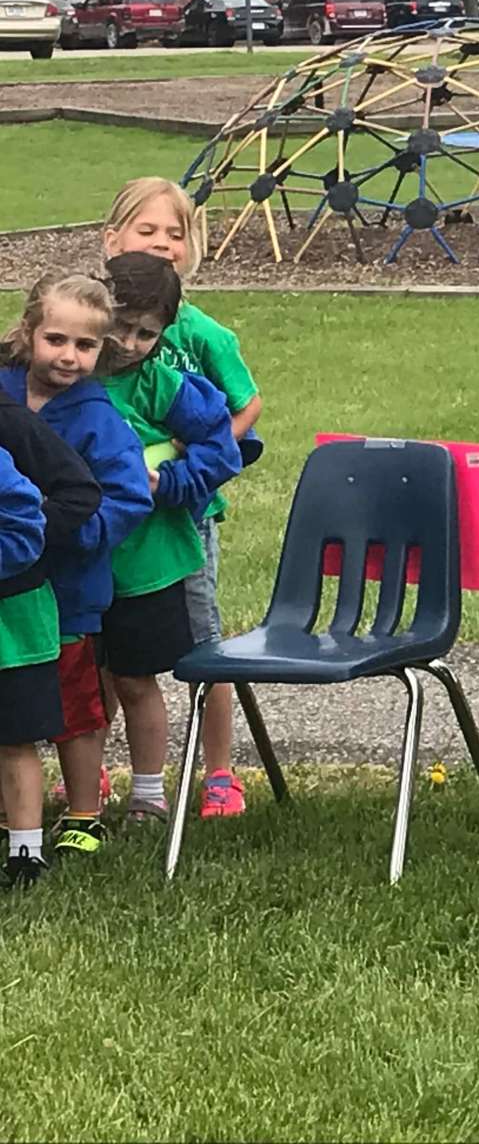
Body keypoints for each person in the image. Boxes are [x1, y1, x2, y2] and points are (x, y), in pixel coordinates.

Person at [102, 177, 263, 821]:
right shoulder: (91, 324)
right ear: (111, 239)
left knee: (202, 644)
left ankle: (219, 772)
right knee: (107, 647)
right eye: (148, 230)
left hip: (185, 520)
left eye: (177, 232)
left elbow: (244, 406)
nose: (164, 243)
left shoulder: (198, 332)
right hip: (110, 528)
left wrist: (181, 461)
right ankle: (98, 768)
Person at [1, 274, 150, 861]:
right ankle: (19, 813)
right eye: (55, 339)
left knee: (76, 705)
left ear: (102, 349)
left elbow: (128, 496)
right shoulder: (5, 395)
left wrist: (67, 535)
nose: (68, 356)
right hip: (12, 589)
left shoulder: (100, 419)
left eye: (84, 346)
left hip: (71, 584)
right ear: (29, 332)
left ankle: (84, 810)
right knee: (15, 701)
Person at [0, 393, 100, 888]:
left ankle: (25, 853)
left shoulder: (4, 457)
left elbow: (27, 527)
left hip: (12, 618)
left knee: (14, 738)